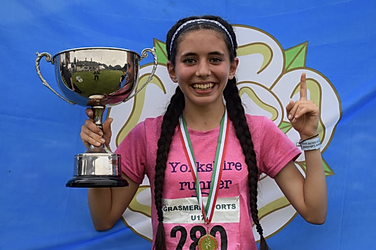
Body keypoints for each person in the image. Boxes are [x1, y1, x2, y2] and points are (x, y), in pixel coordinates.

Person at [81, 15, 327, 250]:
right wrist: (98, 153)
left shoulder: (258, 131)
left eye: (215, 59)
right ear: (172, 70)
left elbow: (314, 212)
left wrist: (309, 138)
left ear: (232, 68)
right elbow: (103, 219)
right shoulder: (147, 135)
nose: (202, 71)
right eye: (189, 60)